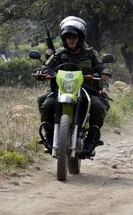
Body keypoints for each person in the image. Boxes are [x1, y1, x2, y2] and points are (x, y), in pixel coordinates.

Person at [37, 16, 110, 156]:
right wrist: (42, 71)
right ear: (64, 38)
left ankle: (91, 141)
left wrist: (105, 72)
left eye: (74, 37)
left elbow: (102, 66)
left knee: (98, 106)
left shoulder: (90, 53)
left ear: (80, 38)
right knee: (45, 103)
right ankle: (50, 138)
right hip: (61, 90)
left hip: (86, 90)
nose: (71, 40)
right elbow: (46, 66)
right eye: (68, 37)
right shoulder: (59, 54)